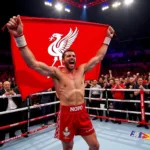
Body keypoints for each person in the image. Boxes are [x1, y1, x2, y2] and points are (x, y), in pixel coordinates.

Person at [6, 15, 115, 150]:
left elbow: (99, 57)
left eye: (73, 56)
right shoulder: (57, 73)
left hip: (82, 112)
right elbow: (32, 64)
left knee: (95, 145)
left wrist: (108, 38)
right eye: (69, 56)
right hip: (66, 114)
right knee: (68, 148)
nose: (72, 57)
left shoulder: (82, 69)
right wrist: (19, 37)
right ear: (63, 60)